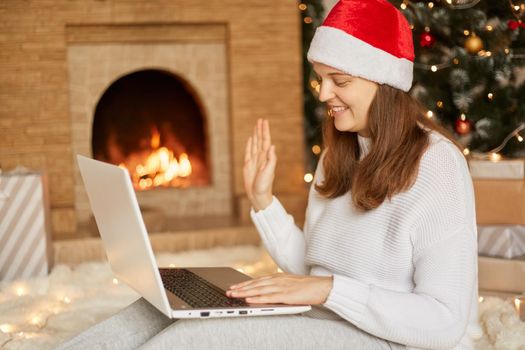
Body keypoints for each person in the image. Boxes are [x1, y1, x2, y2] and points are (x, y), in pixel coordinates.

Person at [56, 0, 483, 349]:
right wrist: (263, 202)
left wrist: (328, 291)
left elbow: (444, 321)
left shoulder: (437, 166)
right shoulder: (342, 150)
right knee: (155, 308)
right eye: (320, 79)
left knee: (194, 338)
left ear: (384, 84)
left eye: (339, 80)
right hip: (324, 319)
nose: (324, 94)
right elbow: (314, 270)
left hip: (388, 341)